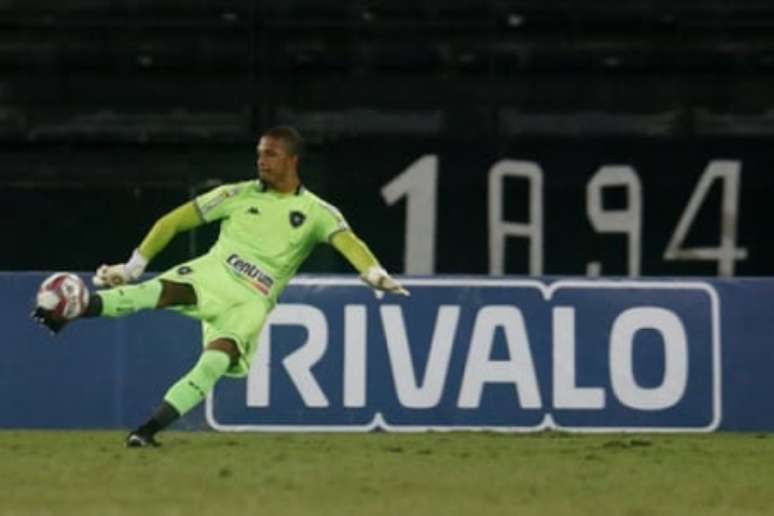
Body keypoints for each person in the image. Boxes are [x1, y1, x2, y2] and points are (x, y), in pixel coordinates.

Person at [31, 126, 408, 447]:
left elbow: (349, 243)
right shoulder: (236, 194)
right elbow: (172, 222)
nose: (262, 161)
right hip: (211, 273)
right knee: (147, 293)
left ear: (293, 161)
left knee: (215, 360)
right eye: (260, 154)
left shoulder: (318, 212)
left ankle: (146, 431)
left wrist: (373, 273)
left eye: (272, 155)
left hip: (252, 299)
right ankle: (74, 308)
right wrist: (132, 268)